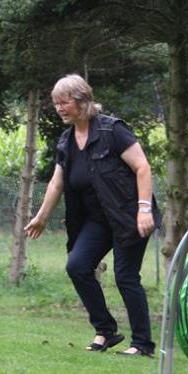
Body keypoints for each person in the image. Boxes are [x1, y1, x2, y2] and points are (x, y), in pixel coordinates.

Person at [24, 74, 161, 356]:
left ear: (81, 100)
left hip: (128, 215)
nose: (59, 108)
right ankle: (106, 330)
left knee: (125, 276)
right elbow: (57, 183)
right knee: (77, 266)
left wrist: (144, 209)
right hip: (97, 220)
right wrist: (41, 217)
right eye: (56, 103)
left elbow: (143, 168)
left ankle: (142, 344)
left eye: (64, 102)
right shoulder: (66, 141)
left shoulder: (112, 130)